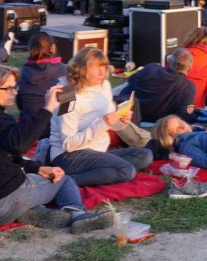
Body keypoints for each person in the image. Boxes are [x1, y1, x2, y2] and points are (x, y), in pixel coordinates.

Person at [0, 64, 112, 232]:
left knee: (35, 179)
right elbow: (20, 145)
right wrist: (47, 109)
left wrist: (37, 168)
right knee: (63, 180)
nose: (14, 92)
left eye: (14, 87)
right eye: (7, 88)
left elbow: (5, 155)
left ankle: (29, 211)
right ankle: (77, 215)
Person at [48, 48, 152, 188]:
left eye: (104, 66)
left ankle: (99, 170)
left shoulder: (104, 86)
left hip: (97, 150)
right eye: (96, 67)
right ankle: (65, 182)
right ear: (81, 69)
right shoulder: (67, 95)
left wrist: (120, 121)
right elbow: (68, 144)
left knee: (145, 155)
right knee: (126, 170)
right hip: (68, 155)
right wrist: (102, 123)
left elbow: (109, 122)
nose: (102, 72)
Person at [126, 49, 199, 122]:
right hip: (157, 119)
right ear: (190, 68)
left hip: (135, 113)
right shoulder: (187, 86)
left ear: (169, 61)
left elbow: (130, 80)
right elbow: (184, 115)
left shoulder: (152, 68)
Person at [17, 33, 69, 116]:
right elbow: (68, 107)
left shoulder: (23, 71)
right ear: (53, 48)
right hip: (53, 126)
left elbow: (20, 104)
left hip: (26, 125)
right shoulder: (65, 70)